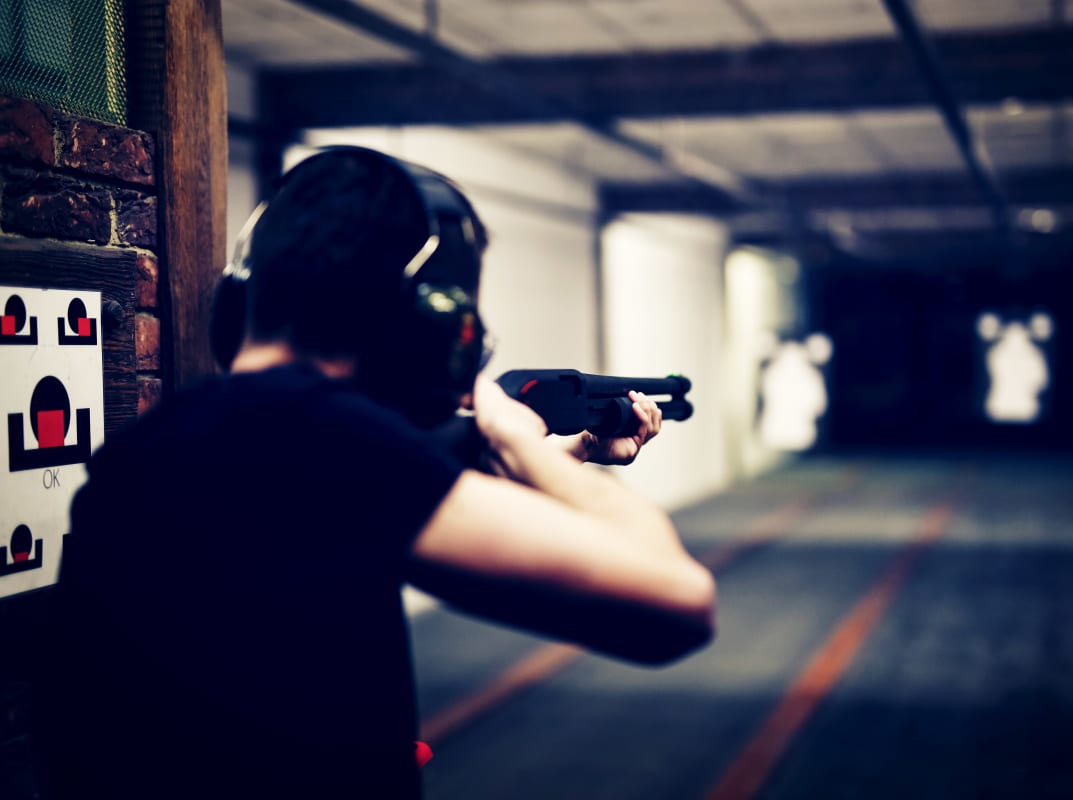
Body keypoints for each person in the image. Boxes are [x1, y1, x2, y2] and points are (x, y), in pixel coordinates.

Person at [32, 147, 716, 799]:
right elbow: (677, 604)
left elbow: (388, 511)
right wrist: (518, 440)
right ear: (428, 326)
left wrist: (571, 455)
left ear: (245, 299)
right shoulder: (327, 445)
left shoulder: (157, 450)